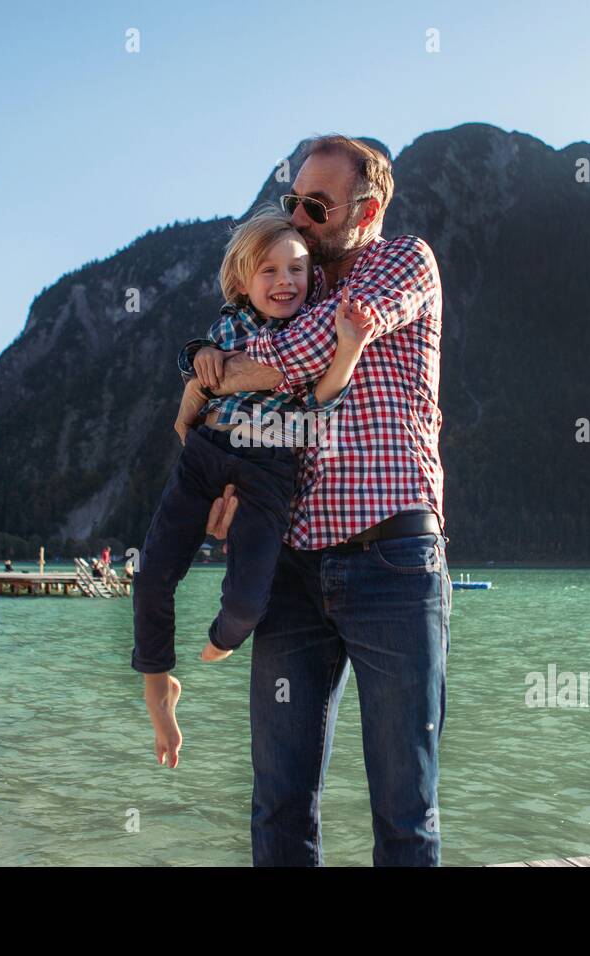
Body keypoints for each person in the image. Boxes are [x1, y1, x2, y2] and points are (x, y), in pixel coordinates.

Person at [175, 136, 448, 867]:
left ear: (371, 207)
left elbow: (316, 346)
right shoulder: (293, 284)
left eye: (316, 205)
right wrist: (208, 407)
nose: (300, 216)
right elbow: (241, 408)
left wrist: (218, 375)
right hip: (292, 570)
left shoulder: (403, 262)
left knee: (403, 809)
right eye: (292, 200)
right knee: (280, 803)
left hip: (393, 559)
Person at [132, 206, 375, 772]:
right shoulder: (230, 322)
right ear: (242, 279)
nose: (283, 281)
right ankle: (156, 688)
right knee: (152, 576)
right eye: (268, 271)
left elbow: (322, 401)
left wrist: (349, 348)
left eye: (295, 268)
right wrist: (200, 355)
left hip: (271, 468)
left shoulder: (314, 327)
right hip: (207, 455)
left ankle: (223, 635)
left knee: (246, 603)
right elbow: (191, 354)